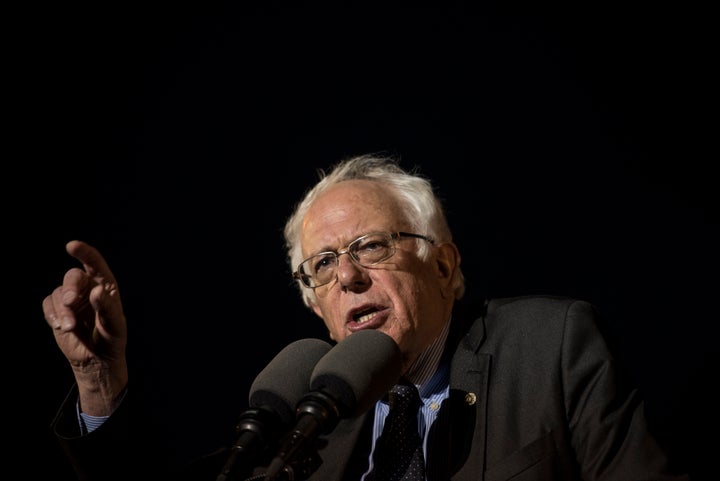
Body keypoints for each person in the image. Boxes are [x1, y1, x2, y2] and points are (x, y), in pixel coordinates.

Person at [43, 153, 688, 481]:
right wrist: (100, 385)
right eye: (322, 265)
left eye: (371, 247)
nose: (347, 276)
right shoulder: (304, 417)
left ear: (442, 265)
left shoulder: (549, 348)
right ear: (316, 303)